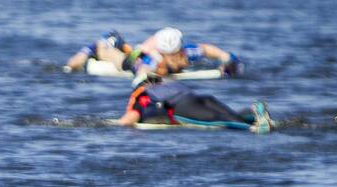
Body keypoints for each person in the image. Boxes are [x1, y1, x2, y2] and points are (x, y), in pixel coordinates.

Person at [64, 25, 243, 78]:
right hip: (115, 54)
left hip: (136, 51)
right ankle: (109, 39)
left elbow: (206, 49)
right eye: (174, 55)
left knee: (128, 50)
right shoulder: (153, 60)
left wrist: (227, 58)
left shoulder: (184, 53)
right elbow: (143, 73)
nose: (180, 56)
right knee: (74, 63)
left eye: (179, 53)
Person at [115, 77, 275, 132]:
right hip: (201, 97)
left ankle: (254, 128)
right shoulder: (169, 83)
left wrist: (116, 124)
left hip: (183, 106)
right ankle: (254, 114)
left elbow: (134, 115)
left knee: (219, 120)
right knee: (231, 114)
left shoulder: (142, 93)